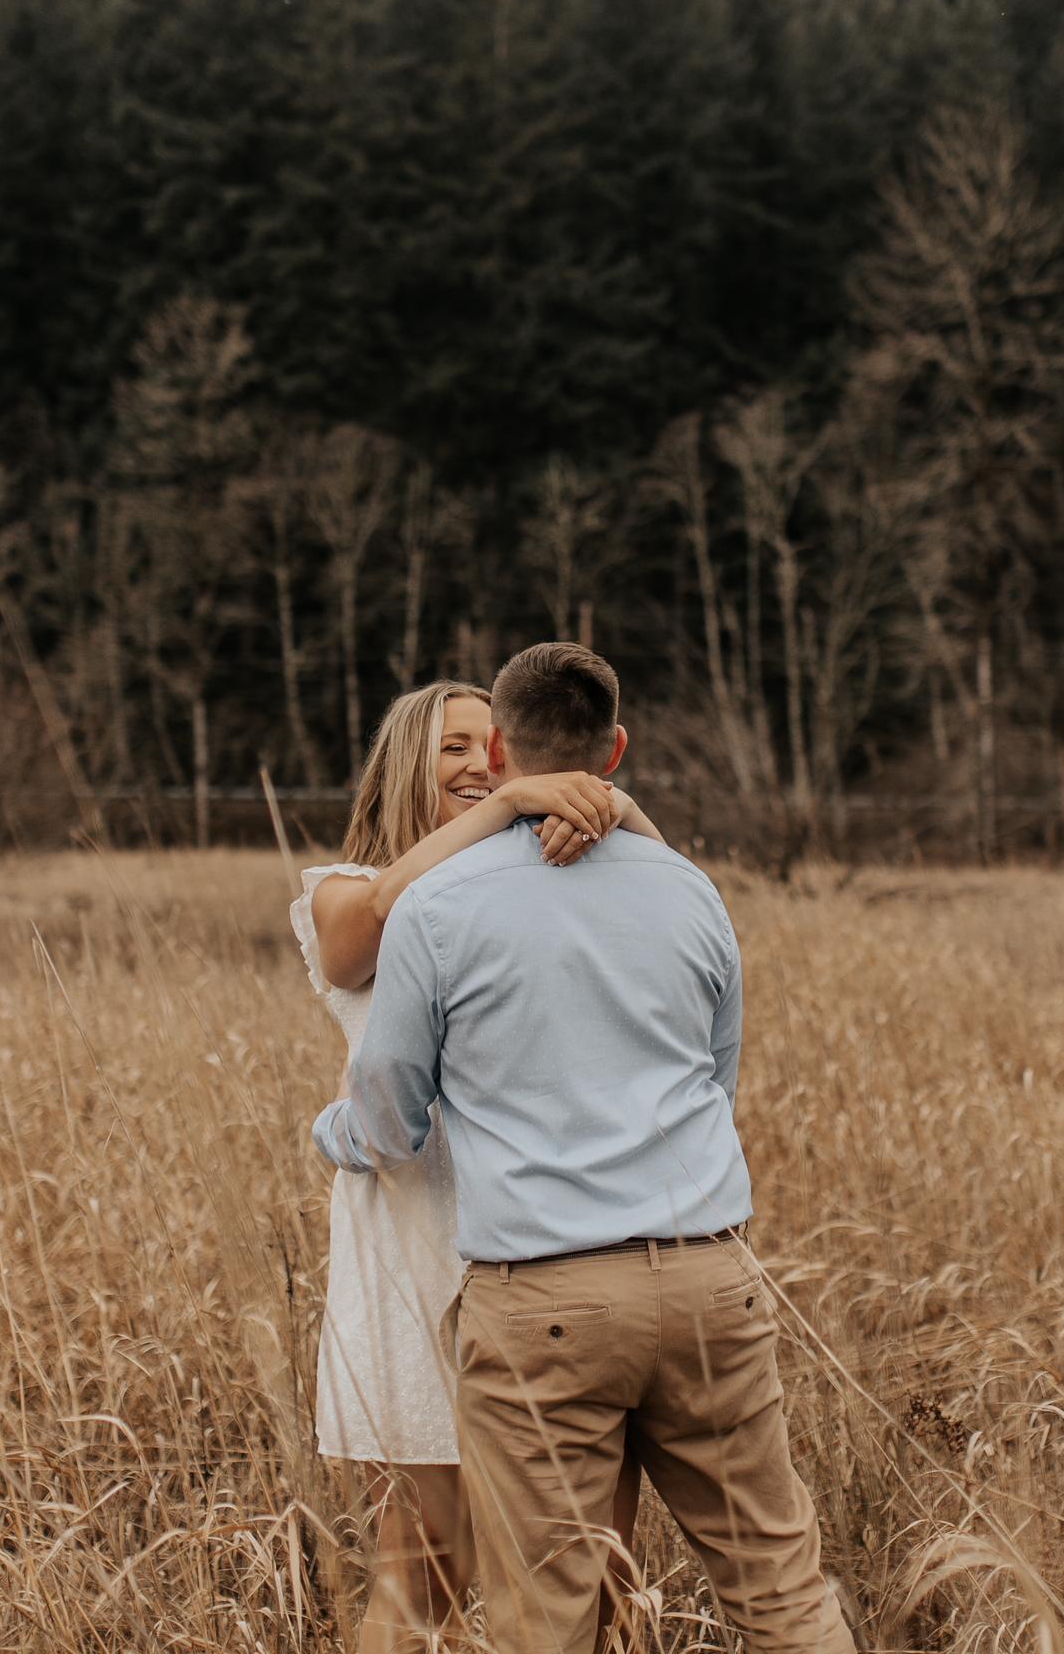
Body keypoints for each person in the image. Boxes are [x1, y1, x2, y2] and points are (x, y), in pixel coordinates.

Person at [313, 643, 857, 1654]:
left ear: (507, 751)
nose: (472, 764)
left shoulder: (442, 907)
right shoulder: (688, 889)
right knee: (779, 1587)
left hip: (538, 1289)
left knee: (551, 1610)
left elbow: (387, 1112)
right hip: (704, 1274)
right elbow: (714, 1079)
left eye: (482, 745)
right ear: (615, 748)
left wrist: (331, 1130)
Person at [293, 677, 662, 1652]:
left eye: (492, 748)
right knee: (426, 1565)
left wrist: (606, 807)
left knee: (595, 1565)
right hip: (414, 1246)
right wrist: (509, 804)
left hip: (554, 1241)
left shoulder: (533, 882)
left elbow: (663, 907)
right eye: (453, 746)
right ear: (403, 763)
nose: (477, 764)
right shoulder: (343, 886)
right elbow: (365, 930)